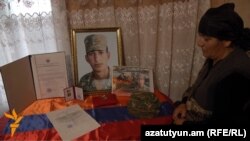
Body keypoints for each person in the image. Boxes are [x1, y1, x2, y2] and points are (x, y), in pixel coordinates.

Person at [173, 3, 250, 125]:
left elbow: (222, 126)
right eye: (200, 36)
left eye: (207, 39)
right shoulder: (216, 55)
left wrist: (184, 125)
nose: (199, 43)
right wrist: (184, 103)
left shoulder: (235, 77)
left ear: (226, 41)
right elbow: (197, 87)